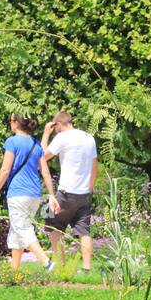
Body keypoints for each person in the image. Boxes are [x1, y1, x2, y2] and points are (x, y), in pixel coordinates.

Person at [0, 113, 53, 272]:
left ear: (16, 123)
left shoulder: (12, 142)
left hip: (18, 193)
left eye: (10, 120)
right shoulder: (36, 144)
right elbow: (45, 171)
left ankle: (46, 262)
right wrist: (51, 194)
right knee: (16, 230)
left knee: (22, 229)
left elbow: (5, 170)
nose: (10, 123)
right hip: (35, 195)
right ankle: (14, 272)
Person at [39, 110, 98, 272]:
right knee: (84, 231)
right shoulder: (89, 137)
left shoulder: (62, 137)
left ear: (57, 124)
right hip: (84, 193)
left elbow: (41, 156)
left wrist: (45, 134)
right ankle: (86, 269)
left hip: (65, 192)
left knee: (50, 221)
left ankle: (60, 264)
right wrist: (90, 189)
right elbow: (94, 167)